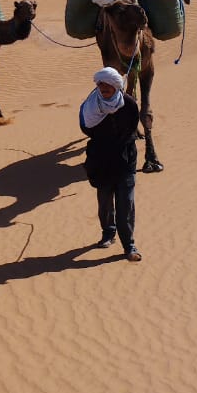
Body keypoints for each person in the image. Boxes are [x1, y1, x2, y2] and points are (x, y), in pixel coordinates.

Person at [79, 66, 142, 262]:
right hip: (101, 160)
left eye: (107, 84)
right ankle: (108, 234)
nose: (103, 88)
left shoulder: (129, 104)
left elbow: (133, 126)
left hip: (125, 159)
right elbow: (86, 128)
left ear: (116, 86)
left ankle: (129, 245)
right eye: (100, 84)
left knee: (126, 204)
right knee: (105, 203)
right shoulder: (90, 106)